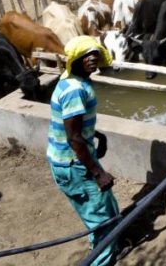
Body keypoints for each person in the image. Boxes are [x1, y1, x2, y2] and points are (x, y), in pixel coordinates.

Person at [46, 36, 119, 265]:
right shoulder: (75, 90)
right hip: (74, 164)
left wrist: (97, 136)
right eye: (86, 55)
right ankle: (101, 260)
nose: (92, 58)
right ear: (75, 59)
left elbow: (75, 127)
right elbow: (74, 137)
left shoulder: (71, 80)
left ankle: (110, 242)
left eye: (95, 53)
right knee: (101, 221)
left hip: (74, 157)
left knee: (106, 205)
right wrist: (98, 173)